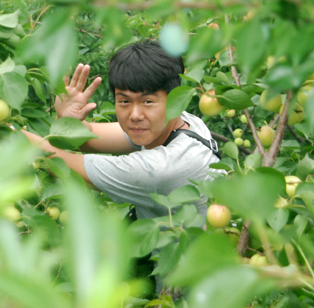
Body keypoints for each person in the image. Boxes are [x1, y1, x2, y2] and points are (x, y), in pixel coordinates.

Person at [21, 40, 220, 220]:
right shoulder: (183, 121)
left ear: (175, 99)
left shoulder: (161, 169)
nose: (135, 115)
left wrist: (9, 132)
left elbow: (59, 162)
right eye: (124, 101)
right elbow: (88, 137)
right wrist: (67, 121)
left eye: (148, 101)